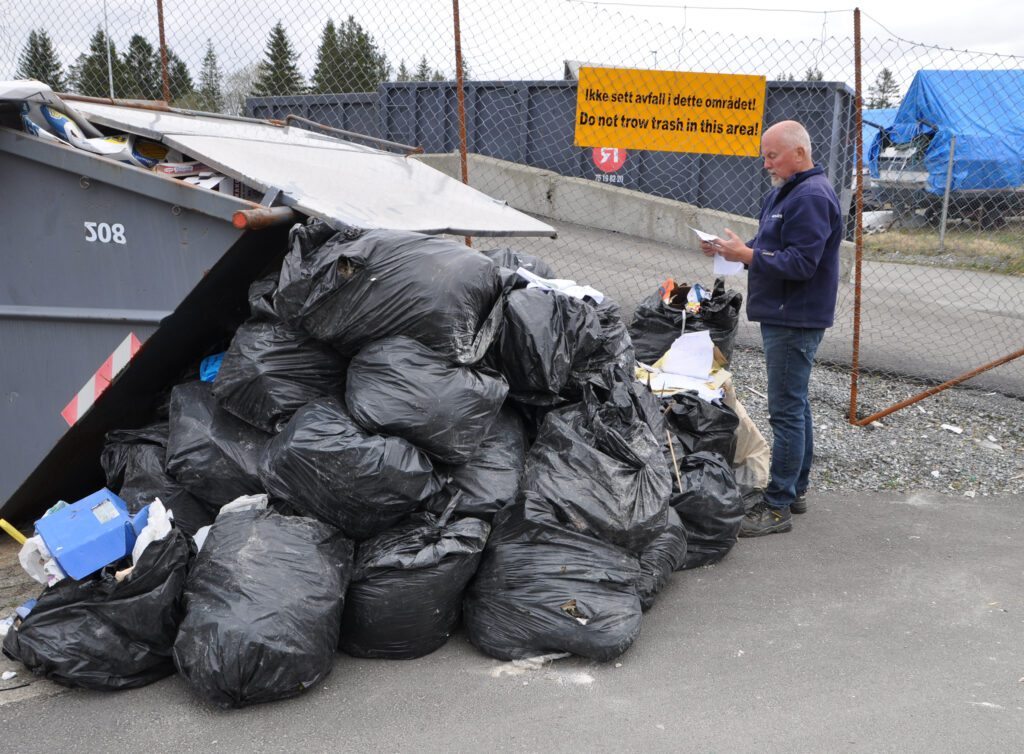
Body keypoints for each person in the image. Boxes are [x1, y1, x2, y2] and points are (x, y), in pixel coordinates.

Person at [700, 120, 842, 537]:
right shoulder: (787, 192)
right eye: (764, 155)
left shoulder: (811, 197)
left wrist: (747, 252)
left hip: (794, 318)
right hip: (784, 313)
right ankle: (794, 490)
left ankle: (777, 505)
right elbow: (772, 249)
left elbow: (801, 263)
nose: (766, 163)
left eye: (772, 155)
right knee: (796, 405)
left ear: (799, 153)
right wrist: (735, 251)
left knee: (785, 410)